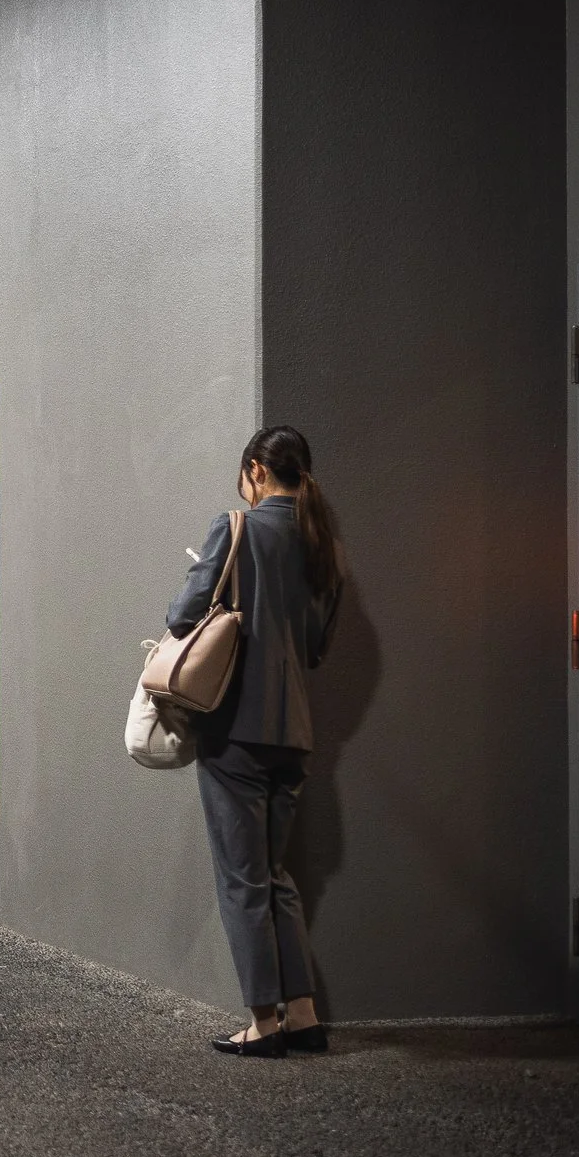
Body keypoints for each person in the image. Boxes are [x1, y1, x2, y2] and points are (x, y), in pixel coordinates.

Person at [172, 425, 346, 1057]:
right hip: (294, 731)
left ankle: (263, 1025)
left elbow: (181, 617)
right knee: (275, 874)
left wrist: (202, 579)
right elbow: (317, 642)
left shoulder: (237, 529)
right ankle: (303, 1014)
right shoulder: (320, 541)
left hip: (236, 730)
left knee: (242, 879)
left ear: (255, 471)